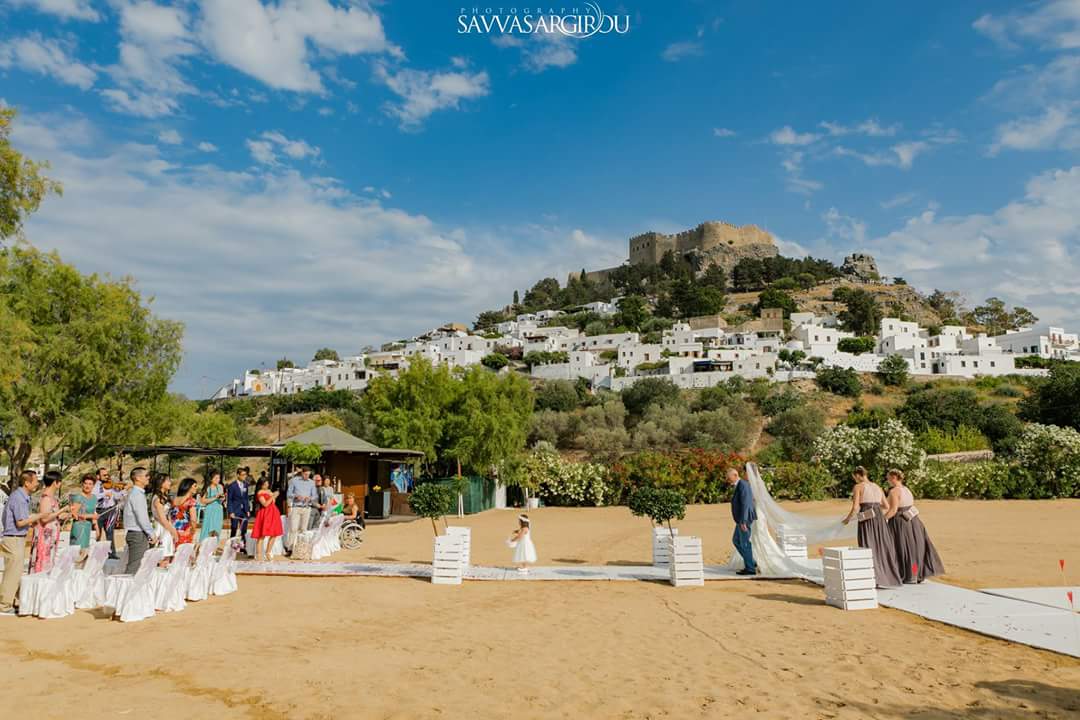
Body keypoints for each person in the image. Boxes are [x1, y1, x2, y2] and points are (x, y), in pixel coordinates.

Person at [842, 466, 902, 588]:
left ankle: (874, 577)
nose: (854, 480)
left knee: (868, 546)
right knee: (881, 546)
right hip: (879, 519)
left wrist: (847, 519)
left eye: (854, 477)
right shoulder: (877, 487)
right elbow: (885, 506)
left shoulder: (858, 487)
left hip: (866, 520)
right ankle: (886, 576)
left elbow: (855, 507)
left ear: (858, 475)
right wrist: (875, 511)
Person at [884, 469, 945, 583]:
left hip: (900, 523)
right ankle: (915, 574)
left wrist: (882, 520)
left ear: (894, 477)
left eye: (888, 477)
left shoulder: (894, 491)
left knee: (902, 548)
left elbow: (893, 510)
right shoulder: (906, 489)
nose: (887, 480)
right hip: (914, 521)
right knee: (914, 549)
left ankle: (909, 575)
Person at [1, 471, 47, 615]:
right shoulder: (19, 498)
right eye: (35, 481)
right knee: (12, 573)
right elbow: (20, 522)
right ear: (27, 483)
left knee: (15, 572)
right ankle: (4, 605)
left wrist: (31, 523)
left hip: (16, 537)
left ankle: (13, 600)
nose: (37, 483)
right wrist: (40, 515)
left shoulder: (22, 497)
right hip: (13, 537)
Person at [31, 471, 72, 573]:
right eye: (59, 481)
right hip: (45, 538)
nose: (60, 483)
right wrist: (61, 510)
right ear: (55, 482)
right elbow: (44, 518)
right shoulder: (46, 498)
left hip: (50, 538)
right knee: (43, 563)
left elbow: (53, 516)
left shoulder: (52, 498)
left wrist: (66, 515)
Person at [123, 467, 157, 574]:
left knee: (138, 566)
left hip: (138, 533)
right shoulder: (137, 494)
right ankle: (127, 590)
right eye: (146, 475)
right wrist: (151, 533)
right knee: (135, 567)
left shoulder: (137, 493)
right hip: (137, 533)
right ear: (137, 478)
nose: (149, 478)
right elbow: (142, 517)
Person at [726, 467, 758, 576]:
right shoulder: (741, 485)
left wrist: (743, 521)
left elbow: (746, 504)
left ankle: (750, 568)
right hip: (741, 519)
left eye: (729, 477)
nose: (728, 480)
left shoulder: (742, 485)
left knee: (744, 543)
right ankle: (751, 563)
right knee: (736, 540)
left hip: (744, 519)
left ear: (735, 475)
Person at [93, 467, 125, 559]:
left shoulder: (111, 485)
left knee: (110, 532)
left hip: (110, 510)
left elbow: (117, 497)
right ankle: (95, 553)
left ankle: (111, 553)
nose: (107, 477)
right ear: (98, 476)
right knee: (97, 533)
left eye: (107, 475)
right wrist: (104, 494)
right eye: (104, 475)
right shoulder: (95, 486)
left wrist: (121, 490)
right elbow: (94, 496)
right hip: (98, 511)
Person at [251, 479, 283, 562]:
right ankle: (258, 554)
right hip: (265, 513)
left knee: (274, 534)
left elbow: (273, 502)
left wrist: (273, 496)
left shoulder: (269, 491)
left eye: (267, 484)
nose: (267, 486)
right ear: (261, 485)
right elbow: (265, 504)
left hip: (273, 512)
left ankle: (268, 552)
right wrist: (273, 496)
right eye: (265, 484)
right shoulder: (260, 492)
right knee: (262, 535)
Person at [285, 467, 317, 552]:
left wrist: (309, 498)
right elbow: (288, 493)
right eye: (306, 474)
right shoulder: (294, 480)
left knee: (303, 529)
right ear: (302, 473)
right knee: (293, 528)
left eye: (308, 474)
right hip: (296, 507)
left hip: (307, 508)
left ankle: (301, 549)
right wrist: (296, 496)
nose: (307, 476)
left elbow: (315, 496)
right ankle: (290, 548)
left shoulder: (312, 483)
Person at [150, 474, 178, 560]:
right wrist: (173, 531)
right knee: (163, 556)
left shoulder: (164, 497)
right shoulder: (158, 499)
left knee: (168, 555)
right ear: (161, 483)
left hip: (166, 527)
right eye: (168, 480)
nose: (170, 483)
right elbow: (162, 518)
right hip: (160, 527)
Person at [69, 474, 99, 551]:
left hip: (88, 528)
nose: (87, 486)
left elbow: (94, 513)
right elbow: (74, 515)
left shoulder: (94, 498)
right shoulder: (78, 497)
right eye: (85, 483)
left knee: (86, 554)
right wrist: (90, 516)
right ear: (82, 484)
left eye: (90, 484)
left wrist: (97, 528)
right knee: (78, 554)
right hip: (79, 528)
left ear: (93, 485)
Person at [169, 478, 199, 547]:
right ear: (188, 486)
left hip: (173, 531)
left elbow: (170, 515)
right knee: (184, 555)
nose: (196, 488)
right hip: (186, 531)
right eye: (194, 486)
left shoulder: (174, 499)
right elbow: (193, 520)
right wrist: (193, 531)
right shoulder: (191, 501)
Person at [198, 472, 225, 541]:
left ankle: (214, 547)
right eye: (216, 478)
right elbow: (203, 501)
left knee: (217, 528)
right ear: (211, 479)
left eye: (219, 478)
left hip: (218, 510)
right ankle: (203, 545)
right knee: (208, 528)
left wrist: (222, 498)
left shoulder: (220, 487)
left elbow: (221, 500)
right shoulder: (207, 488)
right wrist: (215, 497)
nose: (218, 480)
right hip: (210, 510)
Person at [227, 467, 251, 542]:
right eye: (243, 475)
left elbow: (246, 498)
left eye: (245, 475)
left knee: (244, 529)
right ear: (238, 475)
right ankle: (231, 544)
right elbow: (229, 500)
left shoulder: (246, 485)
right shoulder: (232, 486)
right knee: (234, 528)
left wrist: (247, 509)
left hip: (243, 510)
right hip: (235, 510)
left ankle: (243, 546)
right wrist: (231, 511)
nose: (244, 476)